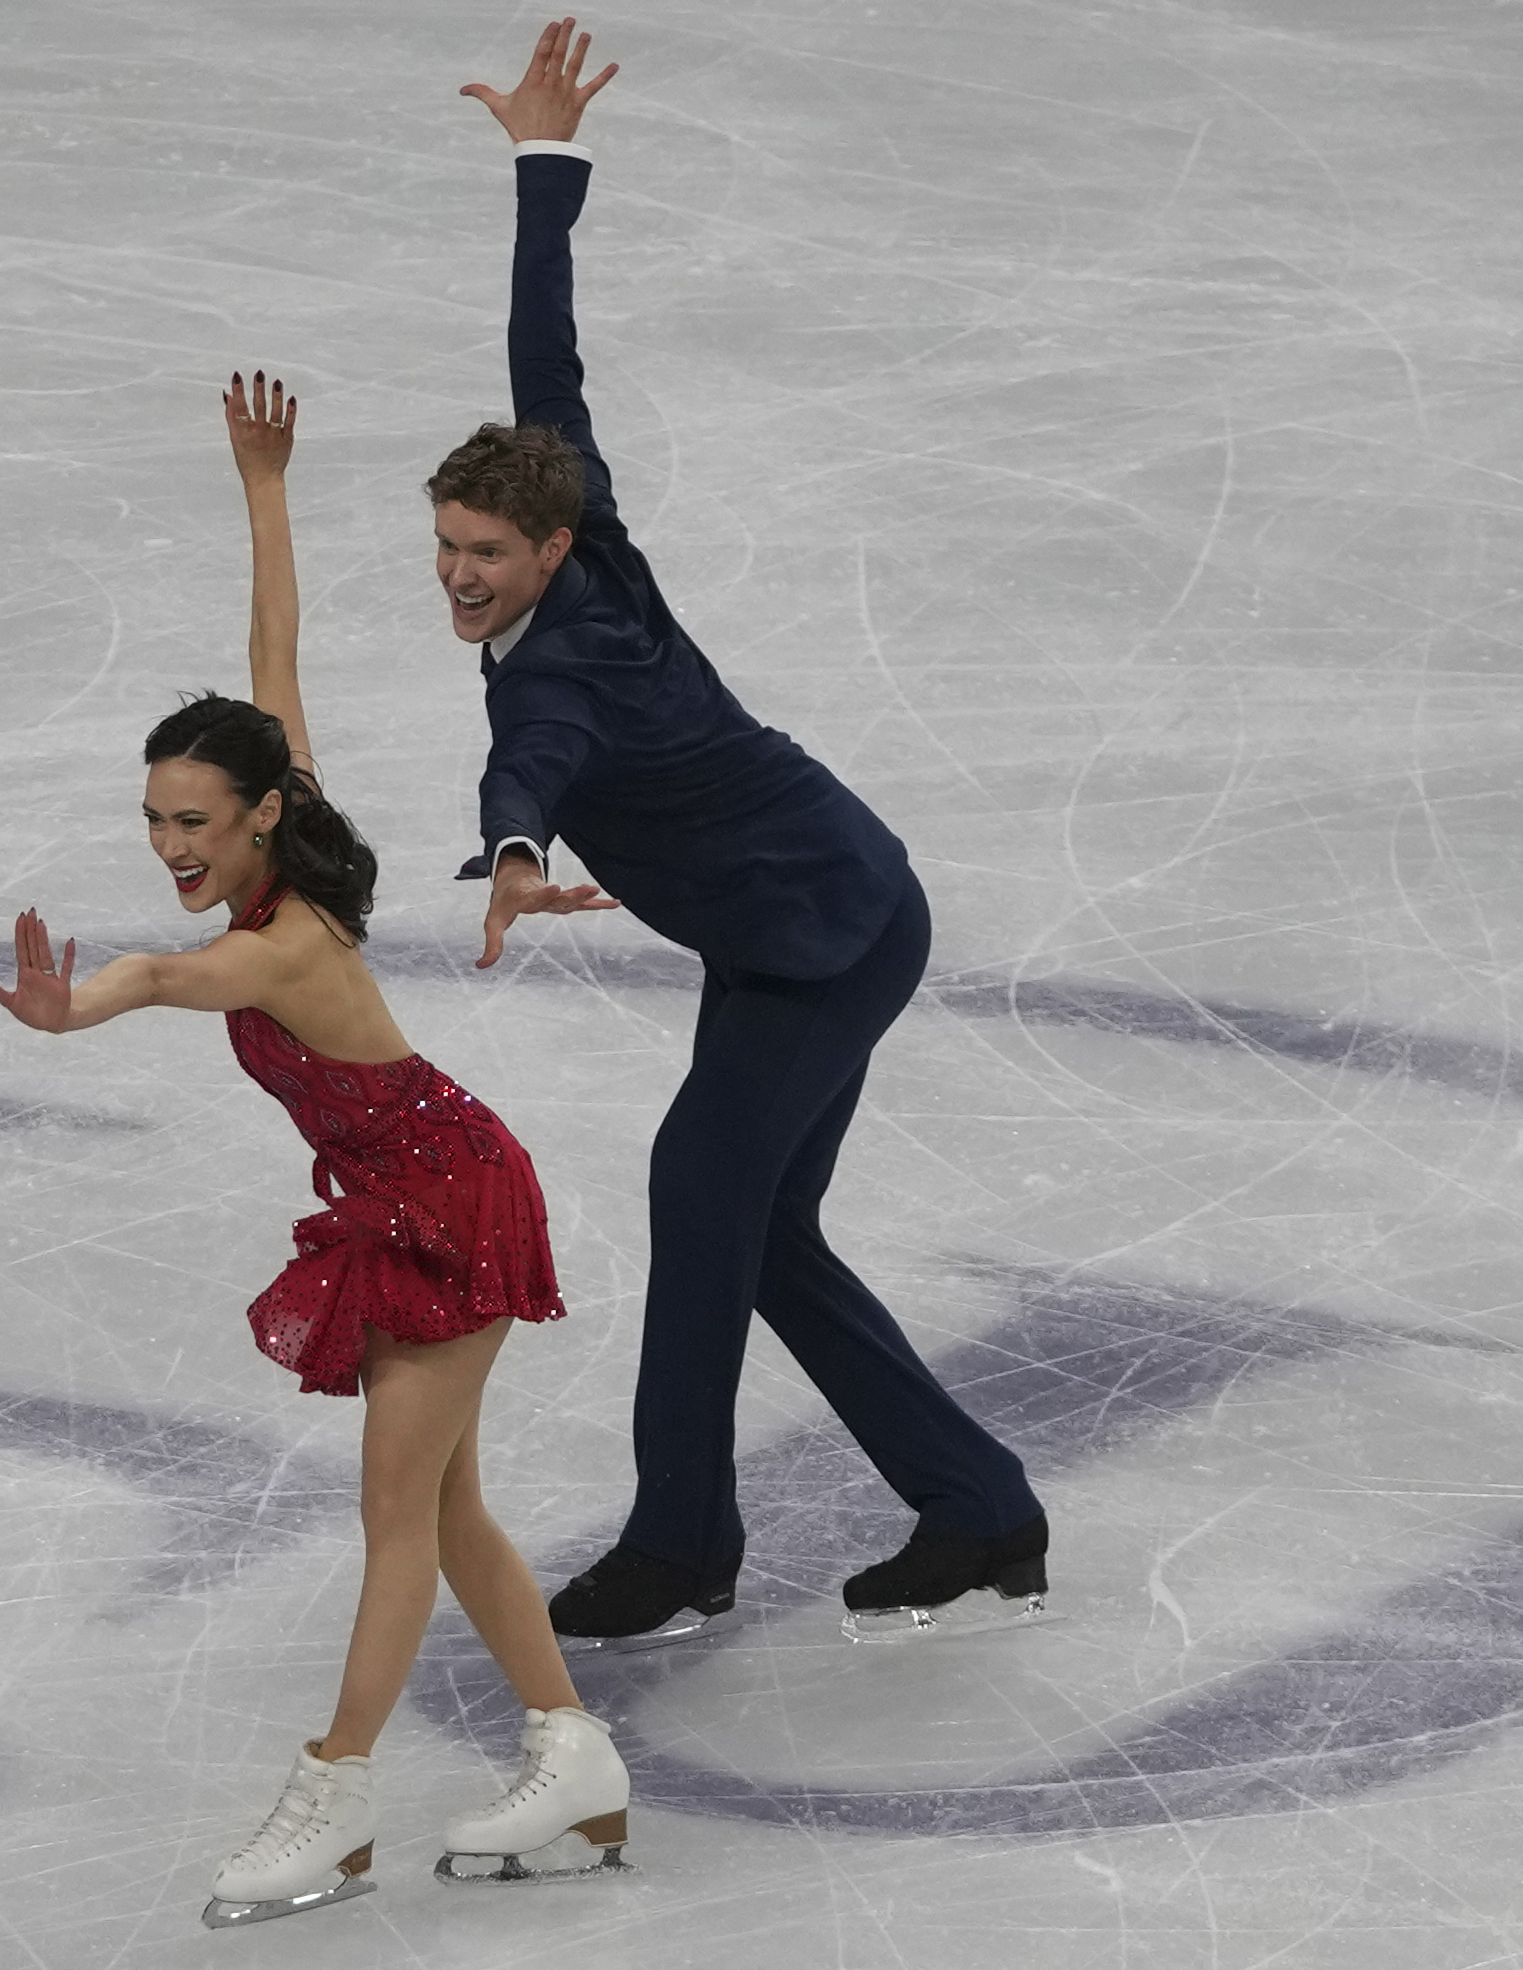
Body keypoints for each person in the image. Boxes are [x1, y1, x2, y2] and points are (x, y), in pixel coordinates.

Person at [0, 373, 635, 1927]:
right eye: (153, 819)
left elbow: (160, 977)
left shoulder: (271, 949)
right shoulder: (297, 838)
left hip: (448, 1198)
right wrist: (265, 487)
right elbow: (276, 656)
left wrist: (83, 1008)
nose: (171, 846)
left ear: (262, 816)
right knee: (450, 1507)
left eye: (195, 820)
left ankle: (335, 1798)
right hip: (419, 1185)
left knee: (396, 1514)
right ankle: (573, 1756)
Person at [444, 21, 1052, 1651]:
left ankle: (681, 1542)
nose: (459, 574)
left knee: (705, 1190)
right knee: (758, 1226)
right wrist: (541, 166)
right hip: (823, 905)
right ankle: (979, 1506)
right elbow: (544, 366)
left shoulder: (558, 672)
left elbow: (537, 764)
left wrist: (511, 854)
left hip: (827, 933)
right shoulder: (594, 545)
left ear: (548, 545)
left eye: (486, 551)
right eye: (446, 544)